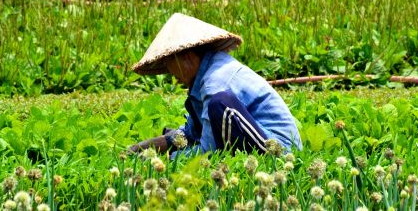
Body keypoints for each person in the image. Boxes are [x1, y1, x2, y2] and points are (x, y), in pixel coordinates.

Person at [128, 13, 302, 156]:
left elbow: (208, 151)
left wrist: (170, 160)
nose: (171, 74)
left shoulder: (216, 83)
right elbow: (191, 133)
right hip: (258, 136)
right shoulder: (205, 75)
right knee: (183, 134)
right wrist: (141, 148)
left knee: (220, 103)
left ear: (186, 58)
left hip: (279, 151)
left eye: (169, 64)